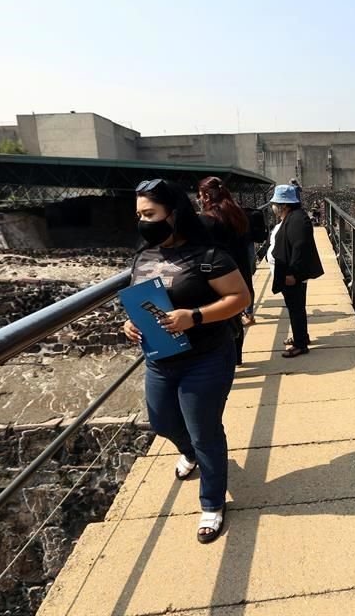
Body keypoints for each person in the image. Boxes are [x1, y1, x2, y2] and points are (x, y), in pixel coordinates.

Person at [122, 178, 249, 543]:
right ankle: (190, 453)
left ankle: (212, 503)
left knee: (205, 429)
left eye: (150, 214)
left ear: (174, 214)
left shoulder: (209, 257)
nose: (144, 221)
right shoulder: (142, 256)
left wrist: (193, 316)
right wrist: (130, 323)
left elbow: (240, 298)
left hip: (205, 357)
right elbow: (139, 297)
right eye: (139, 215)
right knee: (161, 421)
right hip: (160, 357)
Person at [196, 176, 253, 362]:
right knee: (234, 316)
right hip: (239, 272)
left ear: (205, 196)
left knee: (219, 319)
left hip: (217, 276)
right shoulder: (237, 214)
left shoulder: (206, 221)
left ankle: (225, 361)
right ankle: (237, 357)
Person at [269, 184, 324, 357]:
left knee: (296, 308)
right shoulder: (292, 217)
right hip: (290, 272)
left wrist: (293, 274)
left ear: (284, 205)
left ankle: (300, 344)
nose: (273, 207)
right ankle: (301, 336)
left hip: (293, 274)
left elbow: (300, 249)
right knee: (296, 307)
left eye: (276, 203)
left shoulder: (297, 220)